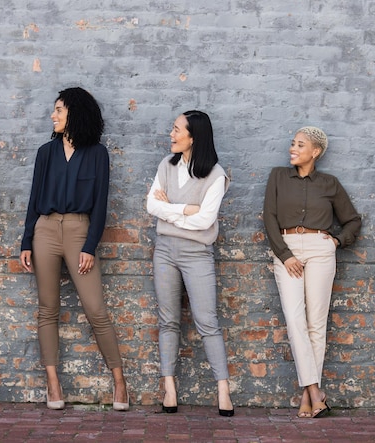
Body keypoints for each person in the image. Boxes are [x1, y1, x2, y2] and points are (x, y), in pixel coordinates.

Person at [20, 87, 129, 411]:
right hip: (45, 231)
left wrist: (90, 247)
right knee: (47, 309)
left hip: (80, 231)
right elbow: (32, 200)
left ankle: (120, 382)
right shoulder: (45, 153)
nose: (53, 115)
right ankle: (53, 384)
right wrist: (26, 240)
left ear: (74, 114)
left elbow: (100, 204)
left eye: (58, 110)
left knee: (96, 310)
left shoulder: (97, 154)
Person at [263, 126, 361, 418]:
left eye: (300, 145)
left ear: (315, 152)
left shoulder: (330, 183)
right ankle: (316, 391)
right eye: (293, 143)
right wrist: (284, 254)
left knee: (316, 323)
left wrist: (336, 241)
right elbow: (268, 216)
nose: (293, 148)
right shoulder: (278, 176)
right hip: (287, 247)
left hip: (320, 250)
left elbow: (353, 221)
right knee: (295, 319)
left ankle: (308, 397)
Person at [146, 110, 234, 417]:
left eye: (176, 130)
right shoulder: (166, 165)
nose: (170, 134)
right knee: (168, 320)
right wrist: (182, 209)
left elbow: (205, 221)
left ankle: (223, 390)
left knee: (207, 321)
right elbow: (151, 205)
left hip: (197, 254)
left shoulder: (216, 175)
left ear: (193, 136)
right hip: (165, 251)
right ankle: (169, 389)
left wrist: (168, 210)